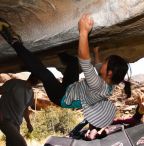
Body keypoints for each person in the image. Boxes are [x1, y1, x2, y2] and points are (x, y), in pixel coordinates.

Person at [0, 14, 131, 128]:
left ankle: (14, 41)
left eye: (106, 62)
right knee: (73, 63)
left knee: (45, 74)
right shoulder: (110, 84)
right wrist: (96, 52)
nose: (103, 63)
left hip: (61, 97)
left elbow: (85, 60)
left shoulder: (97, 85)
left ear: (110, 73)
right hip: (72, 88)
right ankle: (59, 52)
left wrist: (84, 32)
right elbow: (98, 65)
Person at [0, 74, 39, 146]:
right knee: (21, 143)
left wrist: (28, 123)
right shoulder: (14, 83)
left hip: (17, 124)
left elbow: (25, 109)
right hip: (5, 120)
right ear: (30, 76)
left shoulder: (31, 93)